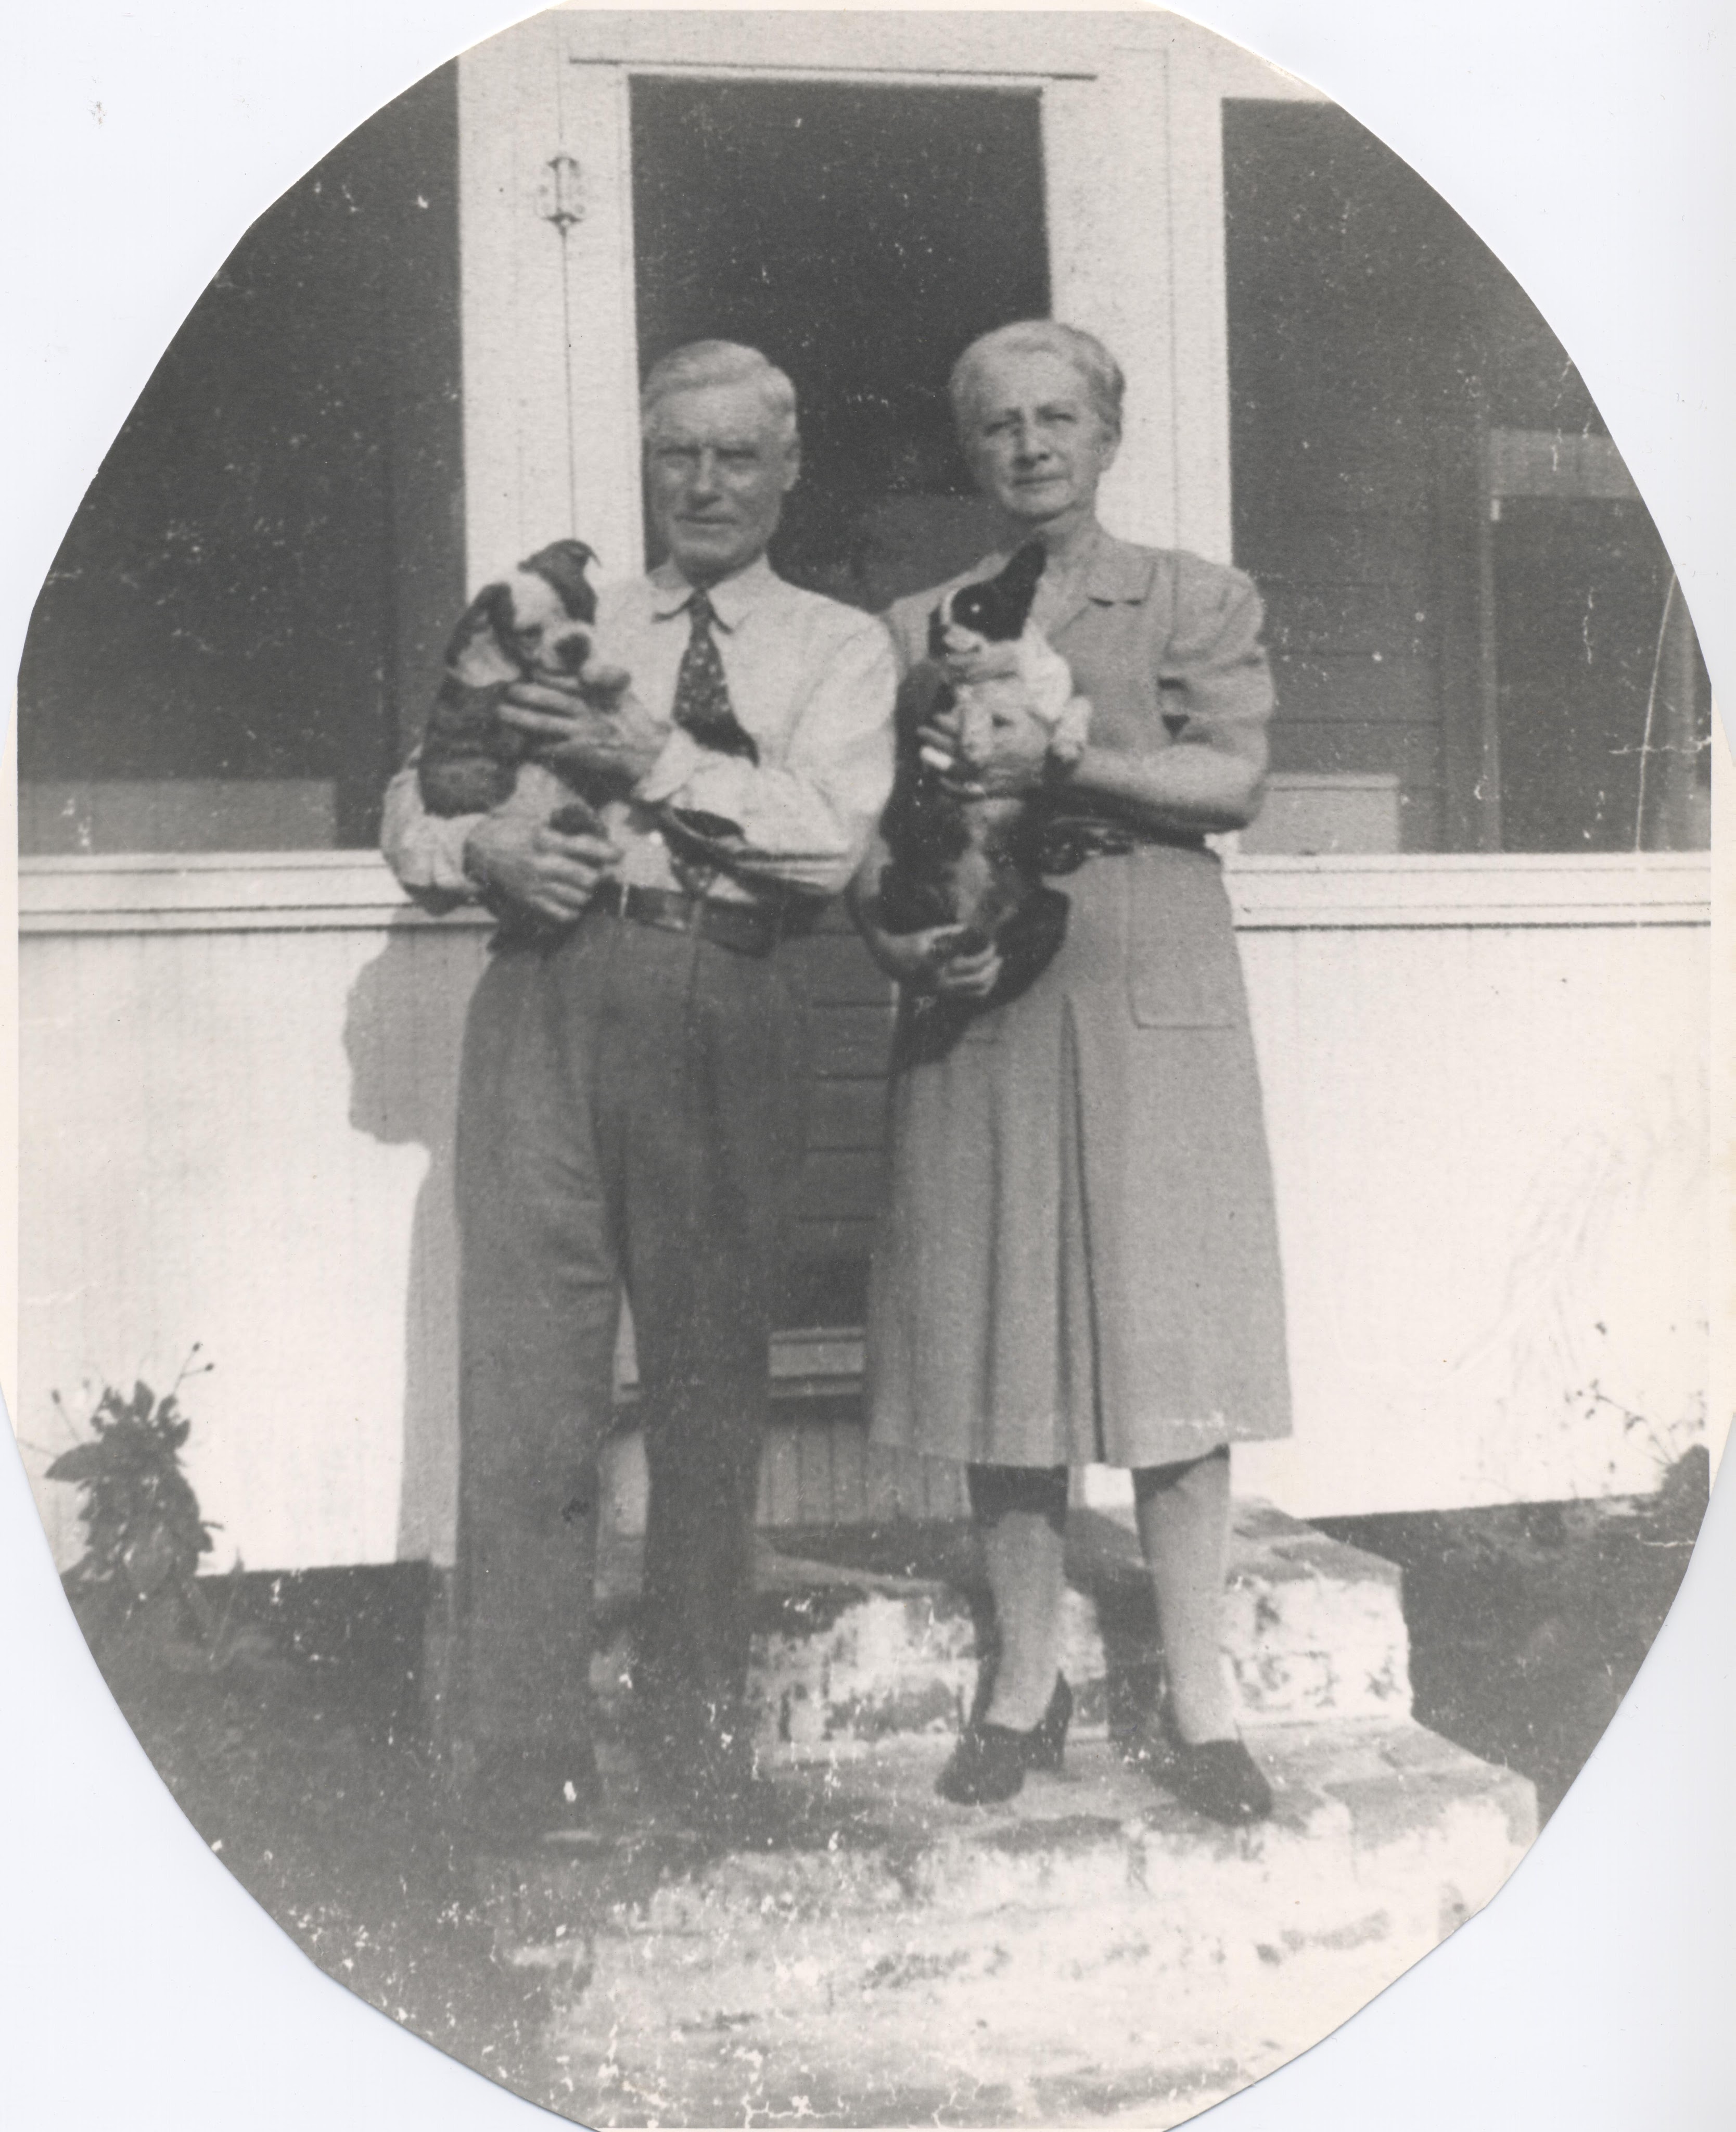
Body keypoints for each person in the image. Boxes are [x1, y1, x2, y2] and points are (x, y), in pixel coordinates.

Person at [382, 341, 897, 1833]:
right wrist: (482, 849)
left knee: (707, 1383)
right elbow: (417, 788)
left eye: (739, 457)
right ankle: (519, 1748)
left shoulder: (838, 646)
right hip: (545, 988)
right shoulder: (566, 620)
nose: (708, 485)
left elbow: (826, 841)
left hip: (725, 990)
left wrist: (654, 757)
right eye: (681, 455)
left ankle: (696, 1736)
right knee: (530, 1377)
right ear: (648, 463)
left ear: (787, 472)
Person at [848, 321, 1291, 1823]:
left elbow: (1231, 778)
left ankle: (1202, 1699)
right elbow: (875, 831)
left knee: (1176, 1333)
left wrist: (1067, 767)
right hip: (986, 982)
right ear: (969, 450)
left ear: (1108, 435)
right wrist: (905, 942)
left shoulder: (1192, 595)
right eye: (1000, 425)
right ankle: (1023, 1686)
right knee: (1000, 1329)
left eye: (1058, 419)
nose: (1030, 446)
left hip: (1146, 968)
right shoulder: (912, 626)